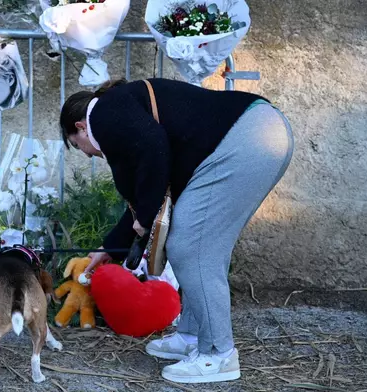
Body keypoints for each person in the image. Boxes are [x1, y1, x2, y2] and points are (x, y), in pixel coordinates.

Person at [59, 78, 294, 384]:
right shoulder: (120, 114)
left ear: (80, 126)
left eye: (80, 147)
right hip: (260, 134)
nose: (90, 155)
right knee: (204, 247)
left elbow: (154, 148)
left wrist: (145, 218)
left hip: (249, 140)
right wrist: (111, 249)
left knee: (189, 247)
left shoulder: (103, 113)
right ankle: (193, 336)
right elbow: (141, 194)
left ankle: (219, 355)